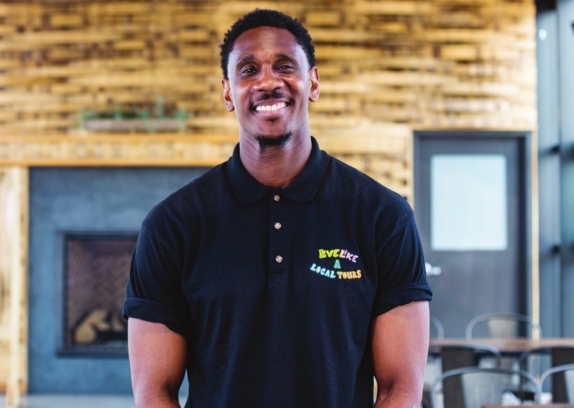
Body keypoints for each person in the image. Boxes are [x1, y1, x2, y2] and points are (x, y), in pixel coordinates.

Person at [123, 9, 432, 408]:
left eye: (284, 66)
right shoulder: (173, 225)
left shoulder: (383, 217)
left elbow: (400, 390)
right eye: (248, 70)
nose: (268, 82)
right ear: (227, 93)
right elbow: (154, 393)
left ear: (313, 82)